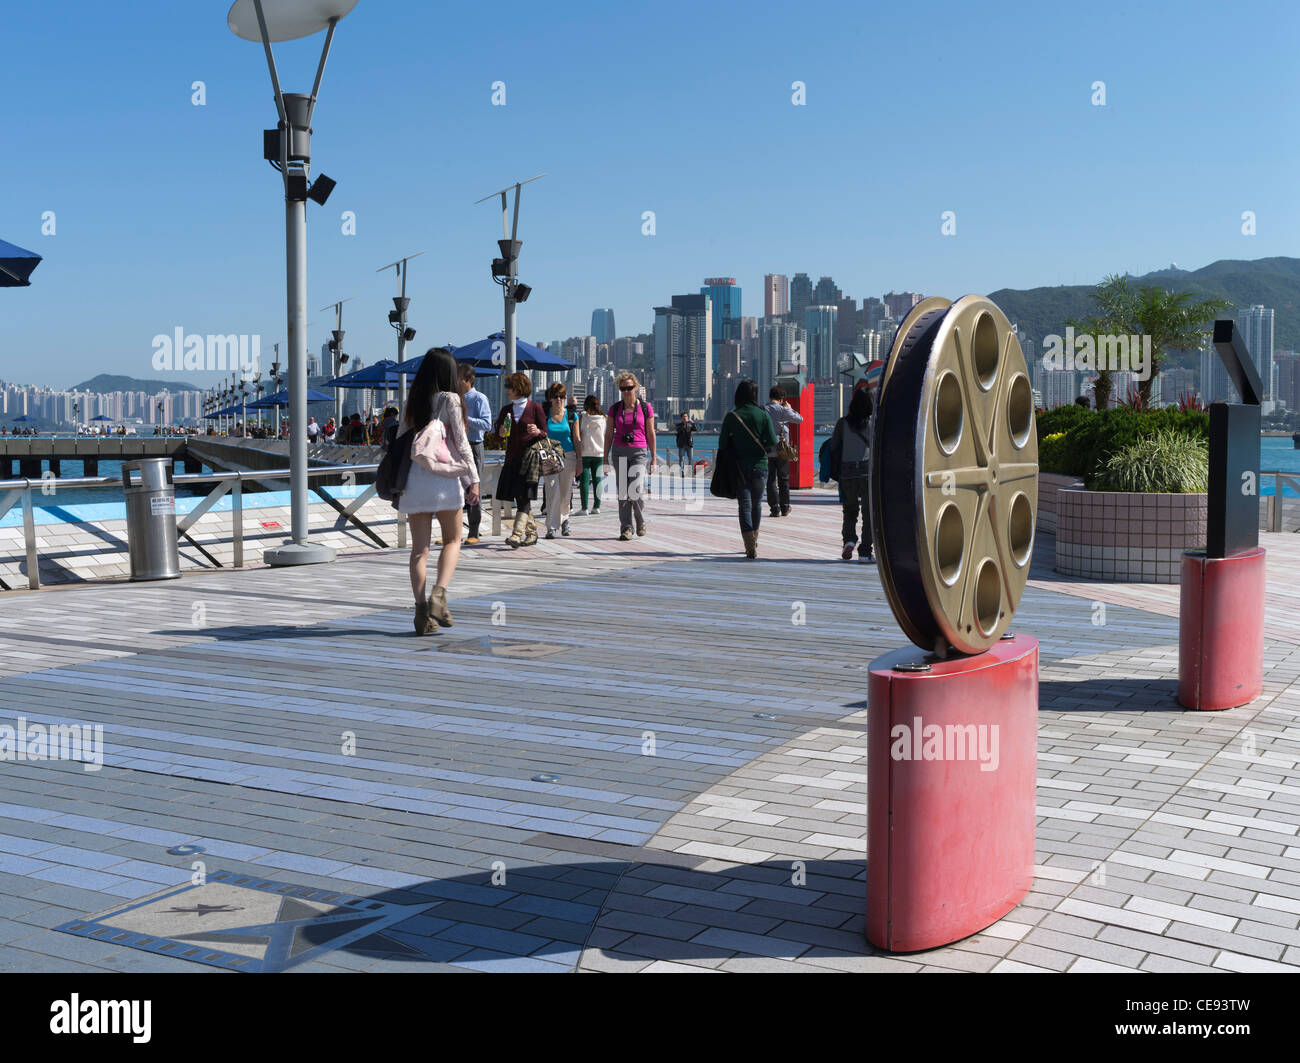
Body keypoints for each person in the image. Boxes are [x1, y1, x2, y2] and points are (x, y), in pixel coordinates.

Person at [395, 348, 480, 635]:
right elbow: (462, 442)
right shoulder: (451, 399)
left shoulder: (413, 400)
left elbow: (400, 442)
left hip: (414, 482)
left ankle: (421, 614)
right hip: (443, 479)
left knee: (420, 550)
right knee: (453, 539)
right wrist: (473, 480)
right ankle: (439, 596)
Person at [718, 379, 777, 560]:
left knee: (744, 505)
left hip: (739, 467)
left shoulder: (732, 416)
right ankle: (755, 539)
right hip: (760, 465)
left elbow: (722, 444)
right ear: (755, 395)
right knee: (757, 504)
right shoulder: (763, 415)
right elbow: (772, 442)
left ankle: (749, 545)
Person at [492, 372, 548, 548]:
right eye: (507, 387)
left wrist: (537, 431)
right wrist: (500, 434)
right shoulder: (506, 410)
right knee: (520, 498)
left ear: (520, 388)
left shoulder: (535, 408)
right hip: (512, 460)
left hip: (530, 460)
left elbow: (545, 433)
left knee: (524, 498)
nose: (507, 390)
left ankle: (516, 535)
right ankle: (531, 533)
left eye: (510, 387)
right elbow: (498, 437)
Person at [603, 373, 655, 541]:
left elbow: (651, 433)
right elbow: (609, 434)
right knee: (623, 492)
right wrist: (605, 458)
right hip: (619, 451)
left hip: (639, 452)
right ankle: (626, 527)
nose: (626, 391)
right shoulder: (614, 409)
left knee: (637, 489)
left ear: (636, 388)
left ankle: (640, 520)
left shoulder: (646, 408)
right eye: (623, 388)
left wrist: (654, 457)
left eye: (629, 388)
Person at [829, 387, 874, 562]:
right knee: (869, 513)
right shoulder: (874, 422)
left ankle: (848, 540)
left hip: (847, 472)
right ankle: (865, 552)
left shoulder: (842, 423)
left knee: (850, 510)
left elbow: (833, 447)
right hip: (867, 472)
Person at [457, 365, 491, 544]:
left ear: (469, 380)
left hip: (474, 446)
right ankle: (454, 532)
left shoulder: (479, 398)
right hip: (457, 446)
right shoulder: (455, 398)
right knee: (455, 489)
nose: (457, 382)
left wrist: (464, 418)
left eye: (460, 378)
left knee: (473, 489)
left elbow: (487, 424)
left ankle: (474, 532)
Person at [541, 382, 580, 539]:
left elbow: (577, 439)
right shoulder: (545, 414)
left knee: (565, 492)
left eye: (562, 396)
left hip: (569, 455)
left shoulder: (572, 416)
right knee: (551, 489)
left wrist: (580, 460)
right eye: (555, 396)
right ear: (550, 398)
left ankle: (565, 520)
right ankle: (551, 526)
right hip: (550, 456)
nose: (558, 399)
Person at [764, 385, 804, 517]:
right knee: (783, 479)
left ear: (770, 396)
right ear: (782, 399)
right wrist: (789, 408)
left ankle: (774, 508)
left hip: (767, 449)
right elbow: (800, 419)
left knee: (770, 480)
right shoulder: (783, 410)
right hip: (782, 450)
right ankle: (785, 507)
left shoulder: (763, 409)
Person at [577, 395, 606, 515]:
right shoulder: (604, 419)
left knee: (584, 481)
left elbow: (578, 432)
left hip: (585, 453)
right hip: (599, 454)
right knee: (598, 480)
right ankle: (596, 507)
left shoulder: (583, 417)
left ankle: (584, 508)